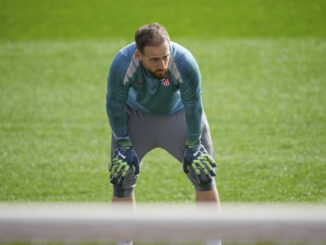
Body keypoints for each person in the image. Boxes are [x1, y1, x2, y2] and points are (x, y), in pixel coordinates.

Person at [106, 23, 221, 245]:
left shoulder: (184, 62)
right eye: (155, 60)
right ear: (139, 55)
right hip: (135, 118)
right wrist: (123, 144)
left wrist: (194, 144)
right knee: (122, 178)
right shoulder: (122, 63)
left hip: (179, 116)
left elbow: (194, 105)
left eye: (165, 56)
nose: (163, 64)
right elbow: (114, 105)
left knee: (204, 174)